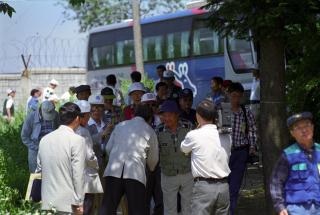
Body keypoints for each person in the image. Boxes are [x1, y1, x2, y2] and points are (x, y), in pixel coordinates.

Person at [99, 104, 159, 215]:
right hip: (135, 174)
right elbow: (153, 161)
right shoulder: (150, 131)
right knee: (136, 210)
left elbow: (108, 148)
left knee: (107, 208)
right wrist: (149, 167)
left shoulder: (121, 125)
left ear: (134, 115)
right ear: (150, 118)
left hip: (113, 171)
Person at [181, 100, 231, 215]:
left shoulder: (194, 135)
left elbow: (183, 148)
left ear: (197, 115)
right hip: (224, 187)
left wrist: (196, 129)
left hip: (204, 187)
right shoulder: (227, 135)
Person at [36, 102, 86, 214]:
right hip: (68, 204)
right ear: (77, 118)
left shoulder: (45, 139)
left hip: (46, 202)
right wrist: (79, 202)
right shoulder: (77, 140)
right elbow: (78, 174)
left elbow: (39, 170)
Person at [270, 112, 320, 215]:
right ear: (292, 133)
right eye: (298, 128)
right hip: (297, 209)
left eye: (307, 125)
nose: (304, 130)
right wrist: (280, 206)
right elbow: (276, 182)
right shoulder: (288, 154)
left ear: (313, 127)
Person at [156, 100, 194, 215]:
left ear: (177, 114)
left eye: (169, 115)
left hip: (187, 173)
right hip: (168, 174)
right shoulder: (158, 130)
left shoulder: (189, 126)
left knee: (188, 207)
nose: (166, 118)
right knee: (169, 209)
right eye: (164, 115)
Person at [228, 82, 257, 215]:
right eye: (234, 96)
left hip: (240, 153)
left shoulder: (246, 112)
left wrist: (251, 147)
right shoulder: (220, 110)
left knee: (234, 188)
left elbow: (252, 130)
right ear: (228, 95)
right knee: (222, 187)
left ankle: (231, 212)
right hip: (224, 154)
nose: (236, 100)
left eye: (239, 97)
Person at [75, 100, 103, 215]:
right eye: (88, 115)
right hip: (86, 173)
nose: (89, 117)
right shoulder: (84, 131)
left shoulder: (70, 129)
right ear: (84, 115)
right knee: (87, 204)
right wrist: (96, 166)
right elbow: (90, 155)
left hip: (73, 174)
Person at [21, 100, 59, 173]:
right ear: (41, 110)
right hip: (35, 151)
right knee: (36, 177)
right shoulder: (31, 117)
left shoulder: (56, 115)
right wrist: (36, 147)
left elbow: (59, 130)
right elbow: (24, 137)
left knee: (52, 174)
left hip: (52, 150)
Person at [141, 93, 164, 215]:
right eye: (147, 104)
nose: (150, 107)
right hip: (144, 164)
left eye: (153, 104)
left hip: (159, 164)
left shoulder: (162, 120)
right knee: (145, 198)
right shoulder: (138, 122)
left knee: (160, 199)